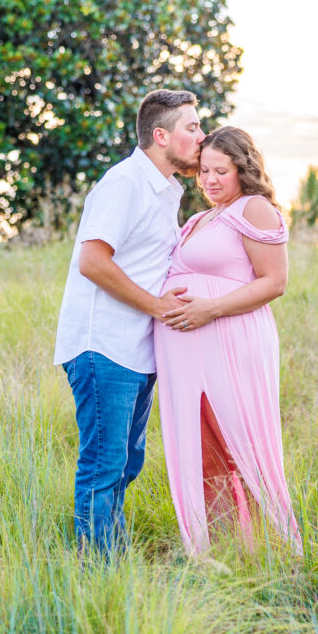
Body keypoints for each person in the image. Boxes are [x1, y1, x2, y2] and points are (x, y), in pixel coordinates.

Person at [53, 89, 205, 554]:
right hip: (104, 346)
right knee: (104, 465)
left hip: (138, 350)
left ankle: (110, 557)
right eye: (192, 128)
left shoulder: (167, 190)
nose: (203, 136)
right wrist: (158, 307)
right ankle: (100, 575)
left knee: (126, 464)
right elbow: (93, 262)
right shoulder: (125, 183)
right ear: (161, 136)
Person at [153, 126, 303, 557]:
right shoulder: (201, 219)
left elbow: (275, 282)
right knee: (208, 455)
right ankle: (224, 555)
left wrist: (209, 309)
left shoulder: (254, 209)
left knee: (239, 447)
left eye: (221, 170)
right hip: (191, 354)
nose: (211, 180)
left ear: (243, 169)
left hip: (231, 342)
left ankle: (269, 554)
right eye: (204, 171)